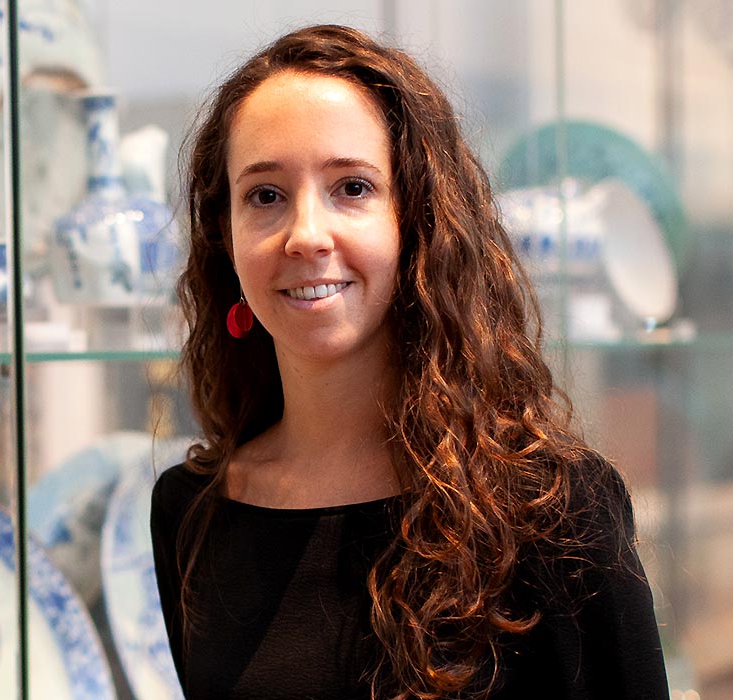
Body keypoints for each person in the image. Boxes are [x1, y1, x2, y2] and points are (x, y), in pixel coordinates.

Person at [152, 24, 670, 700]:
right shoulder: (191, 514)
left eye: (353, 188)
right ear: (226, 238)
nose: (306, 234)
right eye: (266, 196)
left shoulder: (556, 513)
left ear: (418, 223)